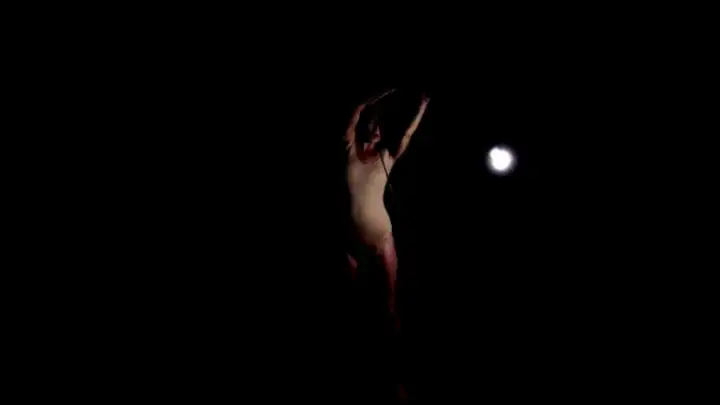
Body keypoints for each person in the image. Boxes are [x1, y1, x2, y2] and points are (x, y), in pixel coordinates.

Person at [343, 89, 430, 333]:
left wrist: (422, 106)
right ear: (365, 127)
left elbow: (407, 135)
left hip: (381, 237)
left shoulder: (386, 157)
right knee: (353, 302)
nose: (376, 131)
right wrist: (374, 97)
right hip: (352, 240)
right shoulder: (350, 150)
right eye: (372, 125)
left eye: (379, 127)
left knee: (390, 304)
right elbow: (355, 114)